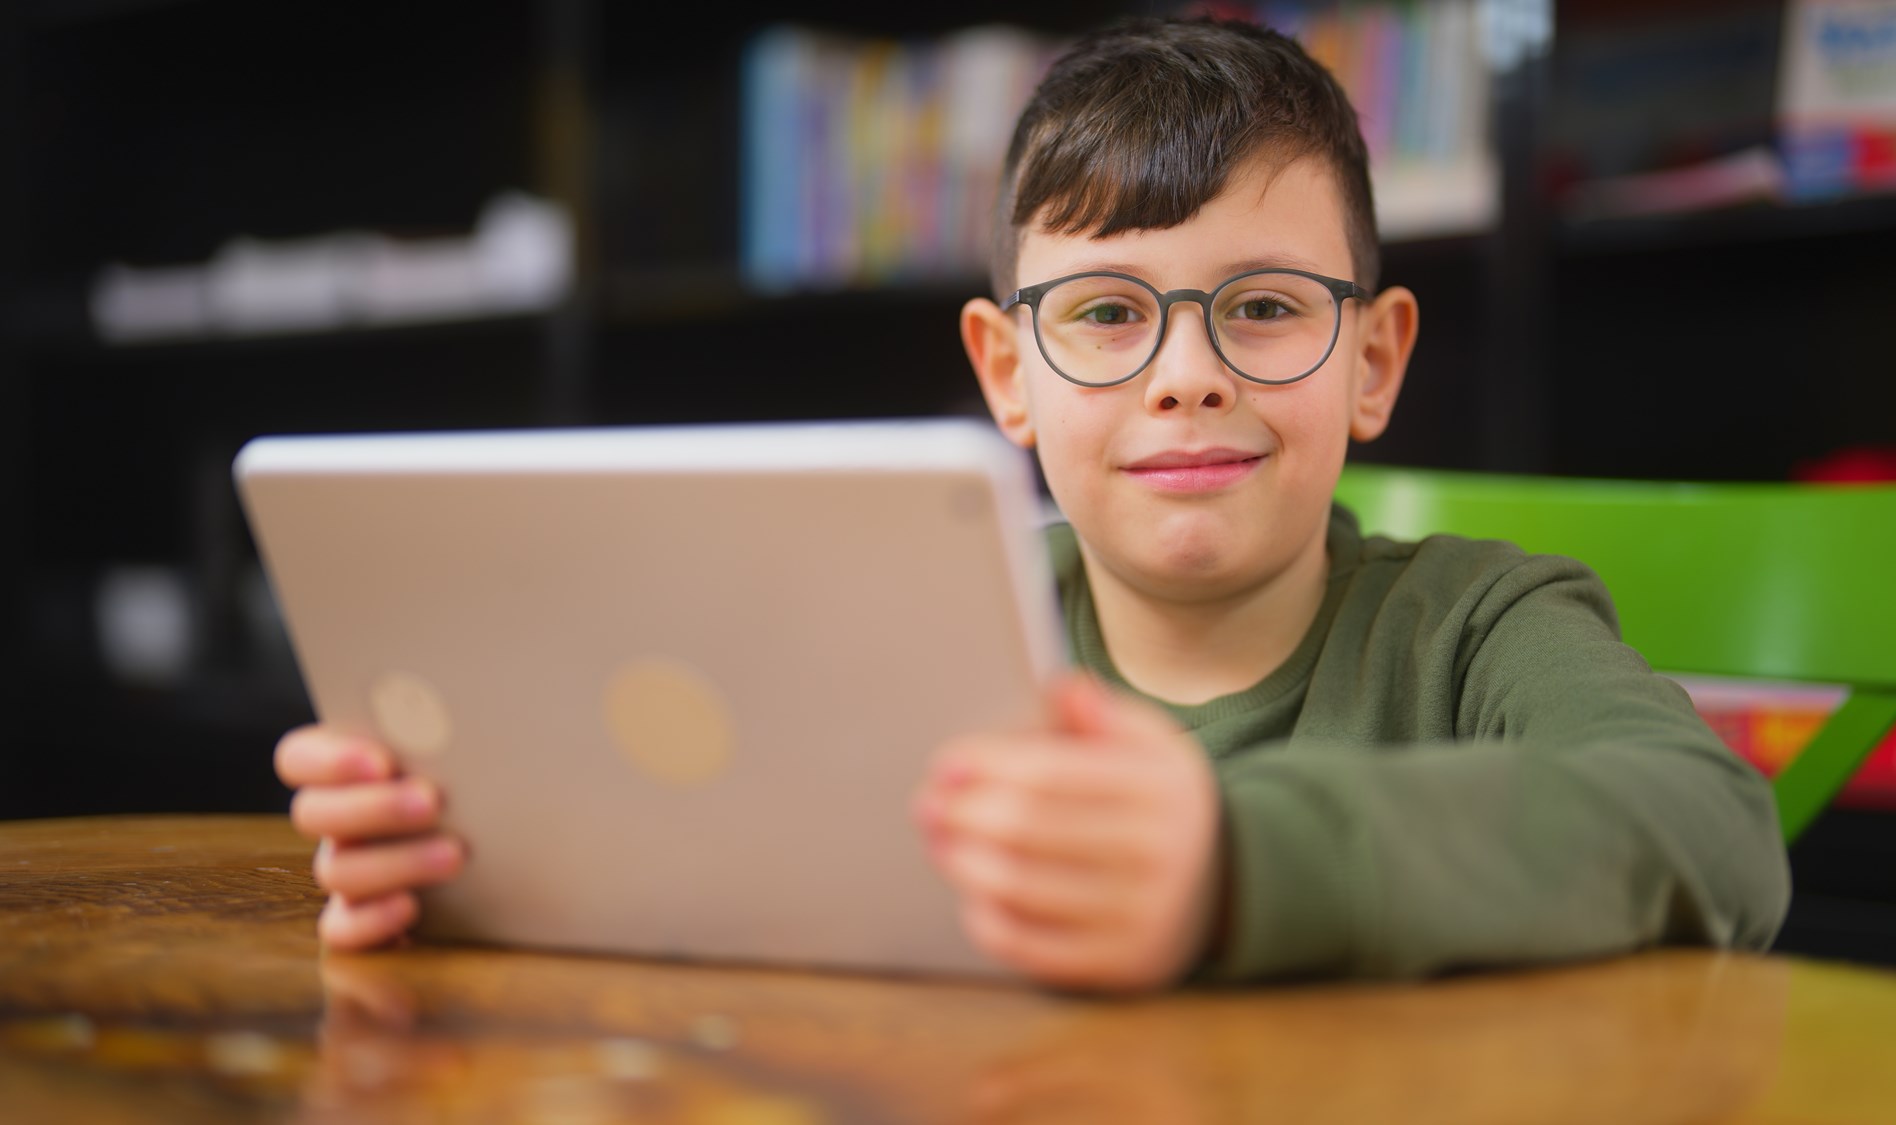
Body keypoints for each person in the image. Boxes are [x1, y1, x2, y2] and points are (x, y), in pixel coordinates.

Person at [276, 16, 1791, 993]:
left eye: (1263, 308)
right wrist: (471, 879)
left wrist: (1233, 865)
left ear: (1376, 358)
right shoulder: (917, 643)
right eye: (1108, 316)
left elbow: (1713, 828)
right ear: (1007, 376)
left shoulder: (1481, 625)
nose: (1187, 374)